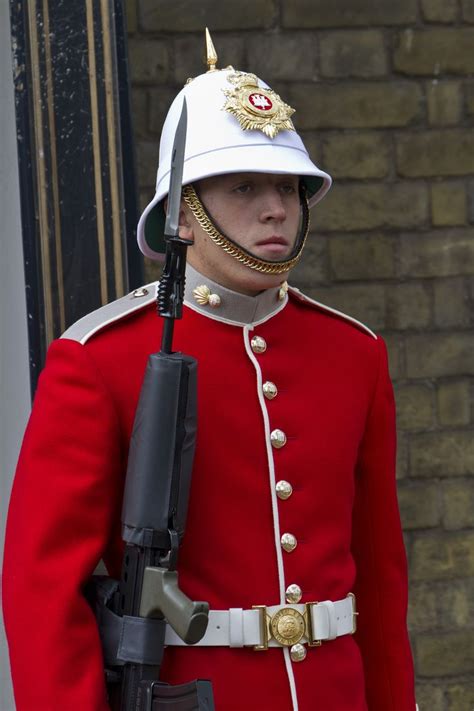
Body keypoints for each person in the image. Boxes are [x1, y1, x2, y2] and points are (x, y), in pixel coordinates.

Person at [2, 34, 418, 711]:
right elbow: (42, 590)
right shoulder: (100, 359)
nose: (276, 207)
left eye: (288, 186)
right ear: (183, 213)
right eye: (244, 186)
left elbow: (379, 576)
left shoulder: (353, 353)